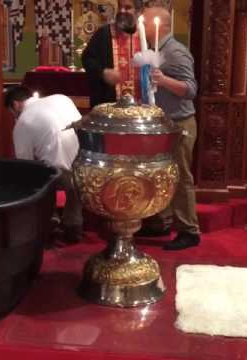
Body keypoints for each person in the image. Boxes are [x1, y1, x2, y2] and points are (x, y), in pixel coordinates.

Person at [139, 2, 200, 250]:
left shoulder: (176, 52)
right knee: (162, 175)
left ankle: (189, 231)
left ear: (161, 26)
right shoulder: (154, 49)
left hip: (180, 123)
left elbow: (191, 90)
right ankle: (162, 221)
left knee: (181, 177)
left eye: (146, 21)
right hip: (162, 124)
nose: (141, 24)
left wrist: (163, 80)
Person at [4, 86, 83, 244]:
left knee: (36, 176)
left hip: (56, 173)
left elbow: (25, 164)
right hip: (85, 165)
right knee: (74, 184)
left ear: (15, 105)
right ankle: (73, 225)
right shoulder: (62, 98)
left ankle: (49, 219)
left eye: (11, 113)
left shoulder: (23, 122)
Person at [81, 0, 143, 107]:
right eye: (120, 7)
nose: (122, 11)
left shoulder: (144, 36)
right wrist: (103, 72)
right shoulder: (104, 33)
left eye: (127, 7)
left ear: (138, 11)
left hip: (139, 106)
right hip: (108, 104)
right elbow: (87, 59)